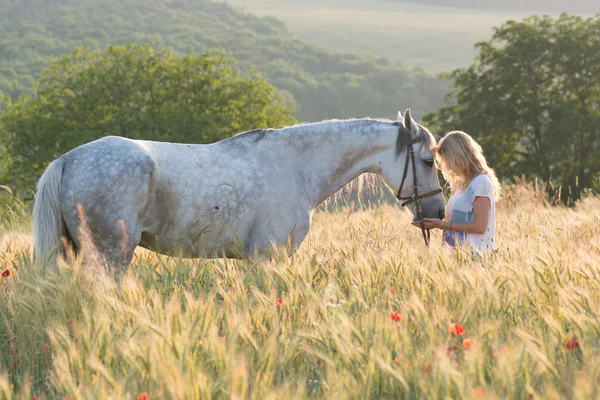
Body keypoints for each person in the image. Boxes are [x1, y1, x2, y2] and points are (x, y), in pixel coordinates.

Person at [411, 131, 501, 250]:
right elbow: (459, 221)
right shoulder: (461, 187)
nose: (448, 167)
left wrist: (441, 225)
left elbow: (480, 226)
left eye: (448, 161)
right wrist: (431, 222)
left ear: (459, 157)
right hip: (454, 256)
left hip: (473, 257)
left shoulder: (480, 182)